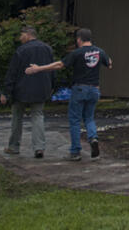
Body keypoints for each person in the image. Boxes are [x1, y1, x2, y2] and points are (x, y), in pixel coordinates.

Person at [28, 28, 112, 161]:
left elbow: (60, 65)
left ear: (79, 39)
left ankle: (75, 152)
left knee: (75, 120)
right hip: (94, 90)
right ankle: (93, 138)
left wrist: (39, 68)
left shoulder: (77, 53)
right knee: (89, 118)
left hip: (80, 89)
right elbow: (110, 64)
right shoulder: (100, 52)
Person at [0, 25, 54, 158]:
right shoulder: (47, 49)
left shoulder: (21, 50)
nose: (20, 38)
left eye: (21, 35)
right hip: (41, 89)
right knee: (38, 116)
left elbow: (12, 72)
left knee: (17, 118)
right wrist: (52, 87)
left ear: (28, 35)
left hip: (21, 90)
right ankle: (39, 147)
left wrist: (6, 92)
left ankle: (14, 146)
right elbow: (51, 69)